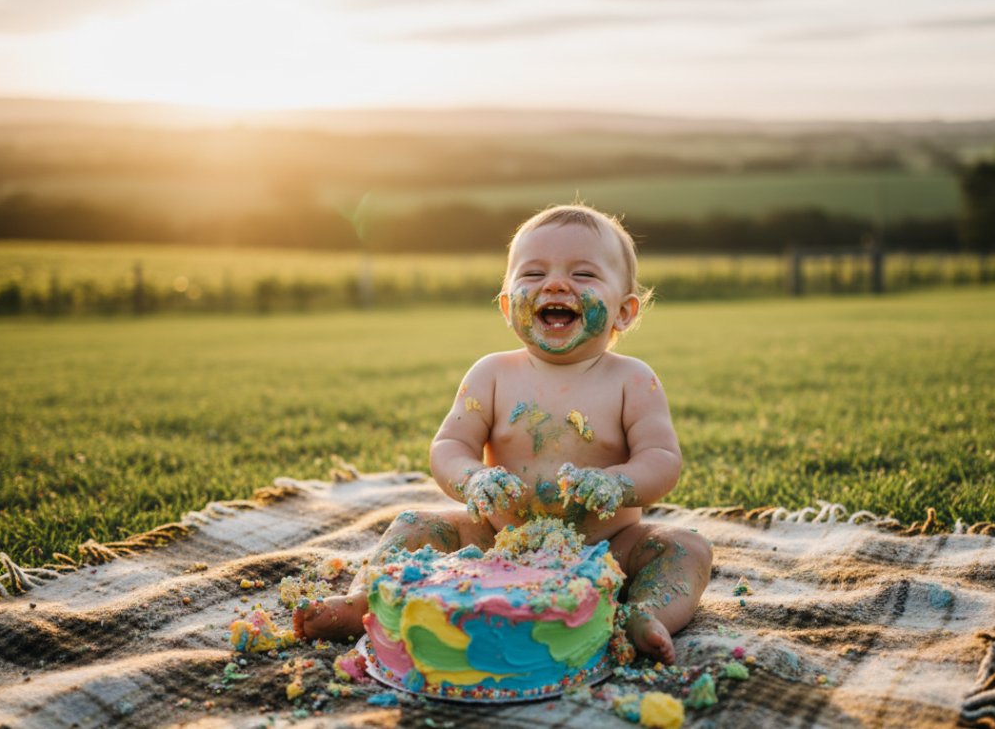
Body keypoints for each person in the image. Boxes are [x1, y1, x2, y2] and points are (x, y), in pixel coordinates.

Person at [294, 204, 712, 664]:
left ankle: (642, 613)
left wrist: (618, 483)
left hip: (606, 550)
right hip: (496, 540)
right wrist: (472, 479)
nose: (555, 284)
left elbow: (661, 460)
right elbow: (450, 446)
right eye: (533, 272)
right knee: (414, 524)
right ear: (508, 305)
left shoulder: (633, 380)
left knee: (687, 547)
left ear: (625, 311)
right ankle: (366, 600)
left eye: (584, 273)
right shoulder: (492, 374)